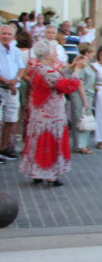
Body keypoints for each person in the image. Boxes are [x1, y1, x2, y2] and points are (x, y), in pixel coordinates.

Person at [19, 39, 81, 186]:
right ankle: (50, 174)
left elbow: (59, 75)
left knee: (38, 142)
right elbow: (67, 86)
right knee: (50, 143)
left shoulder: (38, 69)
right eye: (53, 51)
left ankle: (37, 173)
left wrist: (72, 66)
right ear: (47, 54)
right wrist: (77, 71)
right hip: (51, 115)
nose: (55, 54)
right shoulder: (48, 71)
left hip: (39, 114)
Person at [0, 24, 24, 161]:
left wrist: (16, 80)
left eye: (9, 34)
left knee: (11, 120)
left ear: (13, 37)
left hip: (13, 89)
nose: (6, 36)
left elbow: (21, 67)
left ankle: (3, 149)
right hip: (2, 88)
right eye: (3, 33)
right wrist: (7, 82)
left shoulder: (15, 50)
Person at [70, 43, 97, 154]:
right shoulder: (81, 64)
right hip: (81, 95)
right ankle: (80, 145)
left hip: (89, 94)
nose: (93, 55)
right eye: (92, 52)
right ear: (86, 53)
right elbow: (79, 83)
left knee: (85, 119)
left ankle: (83, 144)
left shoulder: (89, 64)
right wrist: (84, 100)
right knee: (80, 119)